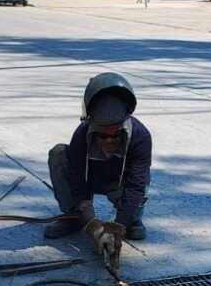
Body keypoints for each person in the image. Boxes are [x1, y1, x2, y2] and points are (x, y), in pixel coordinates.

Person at [43, 73, 151, 253]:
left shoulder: (141, 136)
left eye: (116, 134)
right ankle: (74, 216)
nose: (109, 140)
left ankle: (131, 218)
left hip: (119, 183)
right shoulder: (81, 135)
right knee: (59, 154)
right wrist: (92, 224)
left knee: (142, 179)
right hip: (92, 178)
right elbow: (77, 182)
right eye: (102, 135)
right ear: (91, 124)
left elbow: (136, 186)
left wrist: (119, 225)